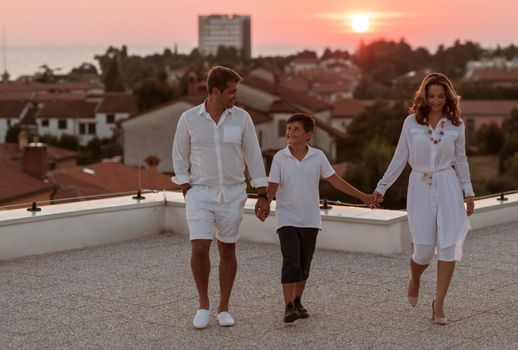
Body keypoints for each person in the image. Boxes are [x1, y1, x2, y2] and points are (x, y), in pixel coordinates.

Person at [172, 66, 270, 329]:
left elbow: (253, 156)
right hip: (199, 193)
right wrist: (185, 187)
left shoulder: (242, 119)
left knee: (227, 248)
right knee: (199, 247)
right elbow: (179, 156)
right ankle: (203, 305)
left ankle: (223, 307)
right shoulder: (189, 119)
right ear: (215, 91)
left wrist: (263, 194)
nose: (235, 97)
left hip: (233, 194)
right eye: (231, 92)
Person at [373, 72, 475, 325]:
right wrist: (382, 187)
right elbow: (399, 158)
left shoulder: (456, 125)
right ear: (424, 97)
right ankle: (415, 278)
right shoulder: (411, 122)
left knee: (449, 247)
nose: (437, 101)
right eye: (432, 96)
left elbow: (461, 160)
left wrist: (469, 191)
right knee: (424, 251)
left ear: (448, 97)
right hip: (420, 185)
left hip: (448, 184)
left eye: (441, 96)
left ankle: (438, 304)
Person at [260, 113, 377, 323]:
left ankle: (297, 301)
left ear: (308, 134)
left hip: (310, 219)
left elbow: (337, 182)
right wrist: (265, 203)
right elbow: (273, 186)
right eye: (288, 129)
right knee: (291, 262)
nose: (290, 133)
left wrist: (365, 198)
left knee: (304, 264)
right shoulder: (279, 158)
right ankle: (288, 307)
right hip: (286, 218)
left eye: (296, 129)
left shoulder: (318, 157)